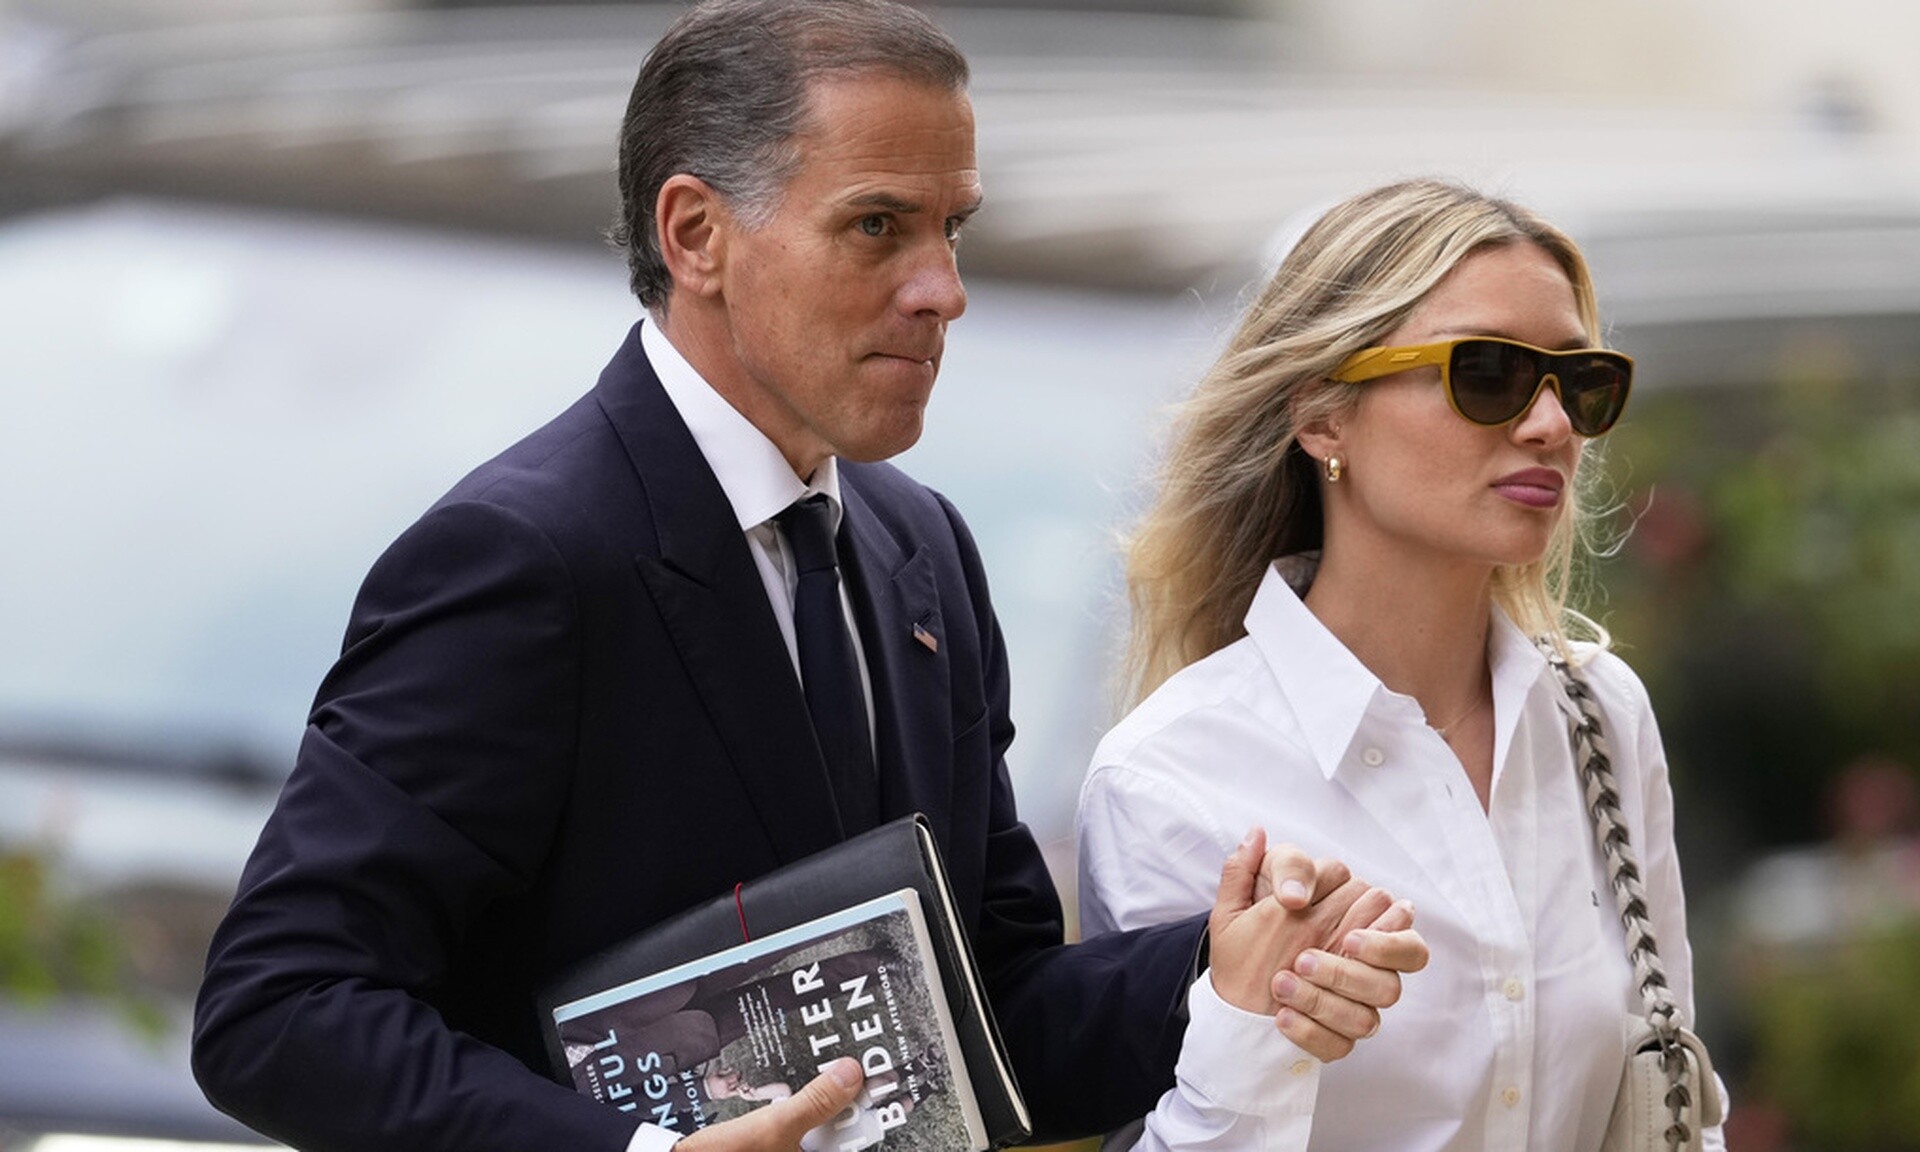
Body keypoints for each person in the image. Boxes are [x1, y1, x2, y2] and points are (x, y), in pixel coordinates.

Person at [190, 4, 1425, 1151]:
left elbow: (985, 1016)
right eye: (877, 226)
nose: (943, 290)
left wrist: (1219, 970)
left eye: (952, 228)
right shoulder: (527, 555)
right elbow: (278, 1007)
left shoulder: (918, 548)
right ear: (696, 235)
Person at [1077, 178, 1726, 1150]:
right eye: (1489, 374)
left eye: (1580, 381)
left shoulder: (1600, 713)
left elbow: (1676, 1104)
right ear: (1322, 418)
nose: (1552, 425)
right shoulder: (1172, 777)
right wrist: (1253, 1031)